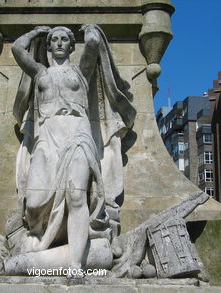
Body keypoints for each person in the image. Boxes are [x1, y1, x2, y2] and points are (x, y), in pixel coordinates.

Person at [11, 24, 135, 277]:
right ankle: (42, 237)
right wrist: (35, 32)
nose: (58, 43)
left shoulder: (81, 72)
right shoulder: (40, 72)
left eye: (64, 39)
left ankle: (76, 265)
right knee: (34, 202)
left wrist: (91, 30)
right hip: (47, 136)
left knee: (76, 197)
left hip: (78, 134)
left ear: (70, 45)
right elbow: (16, 48)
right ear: (48, 46)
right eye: (54, 39)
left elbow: (92, 45)